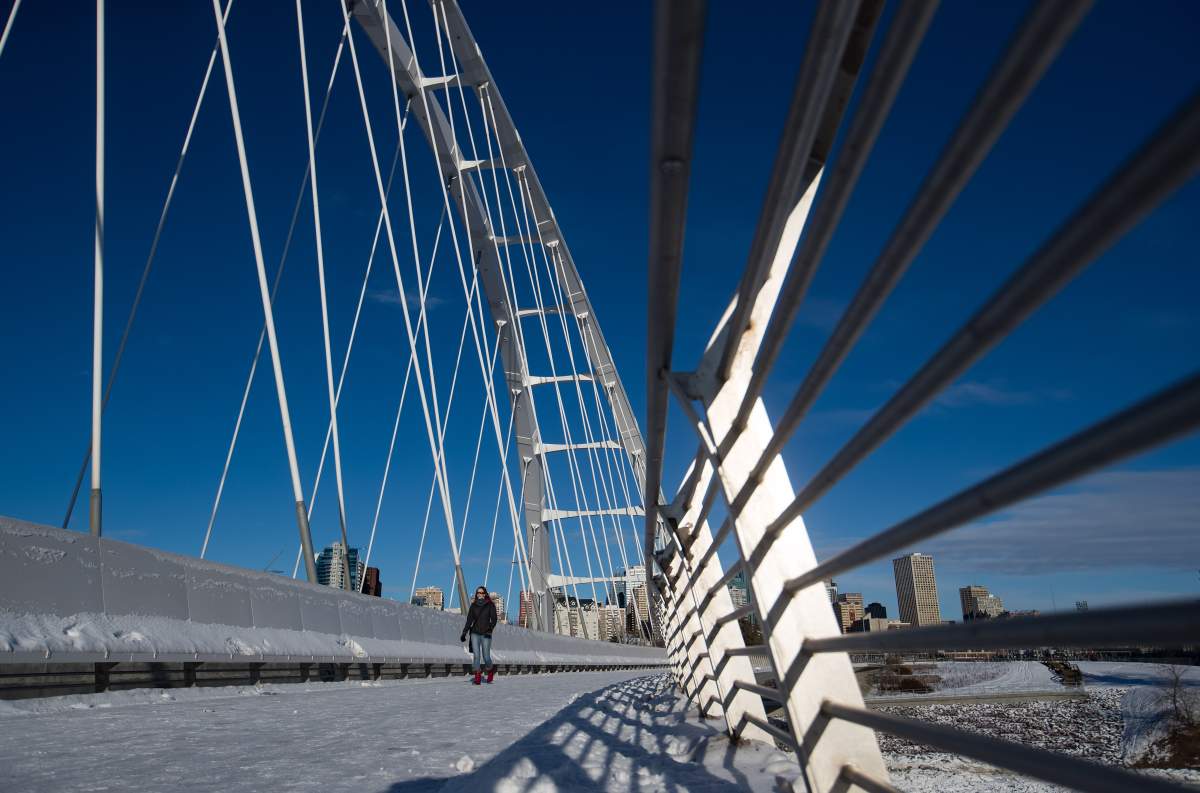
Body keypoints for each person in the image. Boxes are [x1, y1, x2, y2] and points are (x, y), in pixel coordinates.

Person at [460, 585, 498, 684]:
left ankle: (490, 669)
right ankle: (477, 675)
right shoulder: (473, 606)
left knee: (486, 656)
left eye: (482, 593)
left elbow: (494, 620)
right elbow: (469, 620)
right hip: (475, 633)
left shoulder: (490, 605)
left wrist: (490, 630)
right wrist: (464, 632)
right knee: (476, 655)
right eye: (478, 593)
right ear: (476, 594)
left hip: (486, 633)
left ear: (485, 594)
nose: (480, 594)